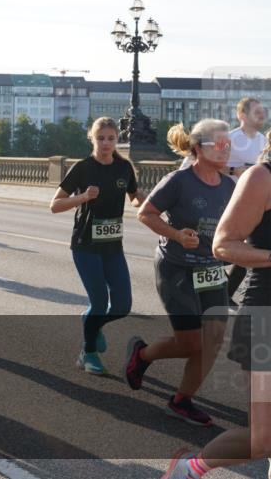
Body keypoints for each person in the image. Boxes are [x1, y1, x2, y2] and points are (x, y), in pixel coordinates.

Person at [161, 132, 271, 478]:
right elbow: (223, 246)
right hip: (263, 317)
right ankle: (189, 468)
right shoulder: (261, 178)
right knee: (262, 441)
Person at [125, 120, 235, 426]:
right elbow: (145, 213)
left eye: (228, 144)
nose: (226, 149)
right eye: (220, 144)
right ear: (199, 148)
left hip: (211, 271)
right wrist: (175, 234)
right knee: (190, 343)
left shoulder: (230, 186)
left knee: (212, 340)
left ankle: (181, 400)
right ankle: (142, 355)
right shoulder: (179, 180)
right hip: (177, 269)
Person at [50, 117, 144, 374]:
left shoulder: (124, 167)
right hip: (85, 245)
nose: (105, 143)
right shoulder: (82, 168)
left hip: (113, 246)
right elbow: (55, 205)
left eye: (111, 138)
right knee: (100, 302)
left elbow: (136, 198)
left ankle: (90, 321)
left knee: (123, 305)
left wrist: (147, 205)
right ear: (92, 139)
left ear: (117, 140)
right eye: (100, 138)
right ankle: (88, 352)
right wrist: (82, 197)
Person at [225, 97, 267, 299]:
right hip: (226, 201)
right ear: (241, 115)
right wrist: (235, 170)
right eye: (256, 111)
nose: (262, 114)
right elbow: (207, 163)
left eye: (263, 111)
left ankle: (225, 293)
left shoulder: (264, 140)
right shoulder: (229, 138)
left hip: (255, 204)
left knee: (248, 249)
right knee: (227, 248)